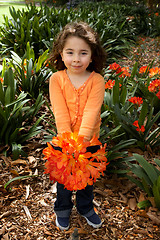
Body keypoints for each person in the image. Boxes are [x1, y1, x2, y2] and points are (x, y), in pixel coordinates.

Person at [48, 21, 106, 231]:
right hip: (63, 144)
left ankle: (85, 207)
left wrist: (81, 142)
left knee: (86, 180)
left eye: (83, 53)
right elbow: (60, 112)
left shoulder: (96, 80)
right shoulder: (57, 79)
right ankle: (62, 208)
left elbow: (92, 111)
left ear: (92, 56)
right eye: (70, 52)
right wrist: (68, 143)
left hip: (89, 141)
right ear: (61, 55)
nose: (76, 59)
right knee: (64, 181)